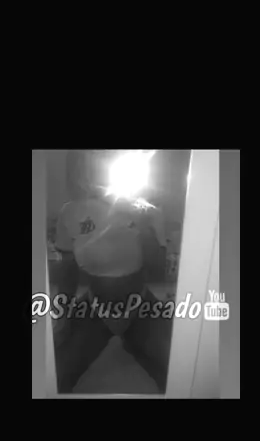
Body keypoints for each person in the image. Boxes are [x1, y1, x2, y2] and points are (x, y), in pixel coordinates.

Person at [51, 149, 173, 394]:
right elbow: (68, 269)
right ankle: (131, 342)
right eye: (92, 161)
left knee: (180, 370)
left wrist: (144, 226)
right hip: (94, 306)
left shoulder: (148, 211)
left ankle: (134, 341)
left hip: (141, 305)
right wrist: (62, 313)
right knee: (55, 374)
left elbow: (159, 269)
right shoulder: (70, 212)